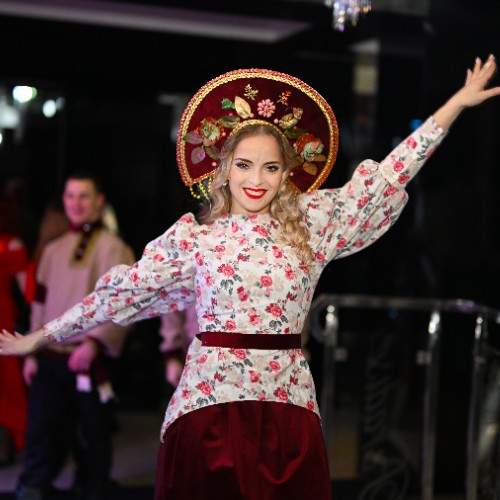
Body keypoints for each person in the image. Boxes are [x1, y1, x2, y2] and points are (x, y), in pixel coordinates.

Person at [1, 57, 499, 500]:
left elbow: (390, 175)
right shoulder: (195, 239)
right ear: (222, 170)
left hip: (288, 406)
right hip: (207, 408)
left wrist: (455, 104)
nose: (256, 179)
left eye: (270, 167)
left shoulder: (312, 223)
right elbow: (119, 296)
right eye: (243, 165)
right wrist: (43, 337)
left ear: (286, 174)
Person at [14, 173, 135, 500]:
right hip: (50, 355)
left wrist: (95, 343)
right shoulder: (52, 250)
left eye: (83, 196)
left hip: (88, 357)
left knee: (92, 432)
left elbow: (126, 304)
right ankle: (33, 487)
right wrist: (31, 351)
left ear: (98, 201)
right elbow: (39, 305)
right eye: (70, 196)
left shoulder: (115, 248)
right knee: (42, 428)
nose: (76, 203)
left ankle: (93, 487)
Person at [0, 195, 29, 463]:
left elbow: (29, 291)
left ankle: (5, 445)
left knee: (5, 386)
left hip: (2, 320)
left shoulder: (10, 244)